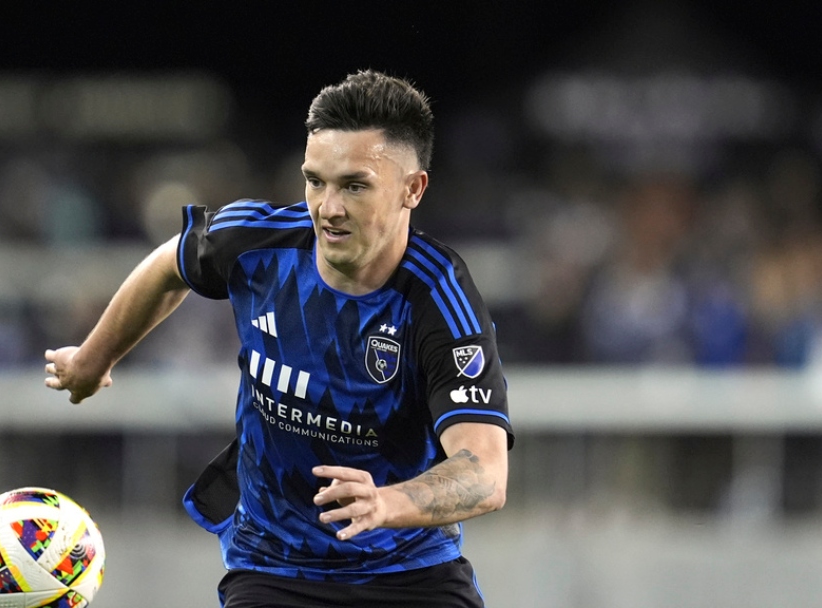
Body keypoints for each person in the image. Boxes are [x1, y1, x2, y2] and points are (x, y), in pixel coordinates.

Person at [45, 69, 514, 608]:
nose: (328, 208)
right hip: (273, 568)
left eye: (355, 186)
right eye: (315, 181)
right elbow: (169, 265)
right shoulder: (257, 242)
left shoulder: (440, 298)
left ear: (413, 188)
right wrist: (92, 359)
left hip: (409, 572)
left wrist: (387, 503)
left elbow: (485, 472)